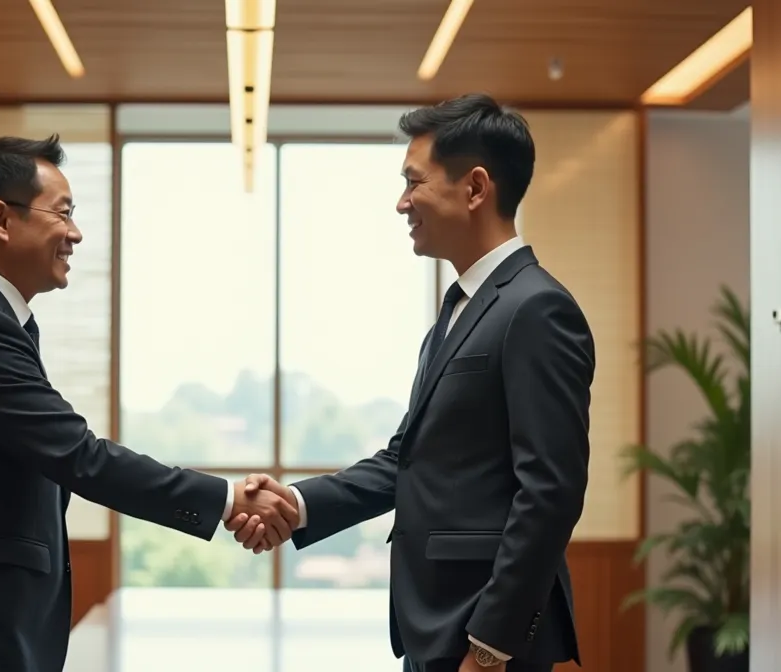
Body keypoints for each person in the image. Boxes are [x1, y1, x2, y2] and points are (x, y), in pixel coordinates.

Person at [0, 135, 298, 672]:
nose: (75, 233)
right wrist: (227, 501)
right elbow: (80, 456)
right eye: (62, 213)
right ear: (1, 220)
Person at [228, 95, 593, 672]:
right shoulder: (458, 311)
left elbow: (550, 493)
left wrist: (489, 648)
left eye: (413, 182)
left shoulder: (536, 308)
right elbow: (409, 458)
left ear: (475, 189)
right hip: (437, 627)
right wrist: (296, 504)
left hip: (483, 637)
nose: (402, 203)